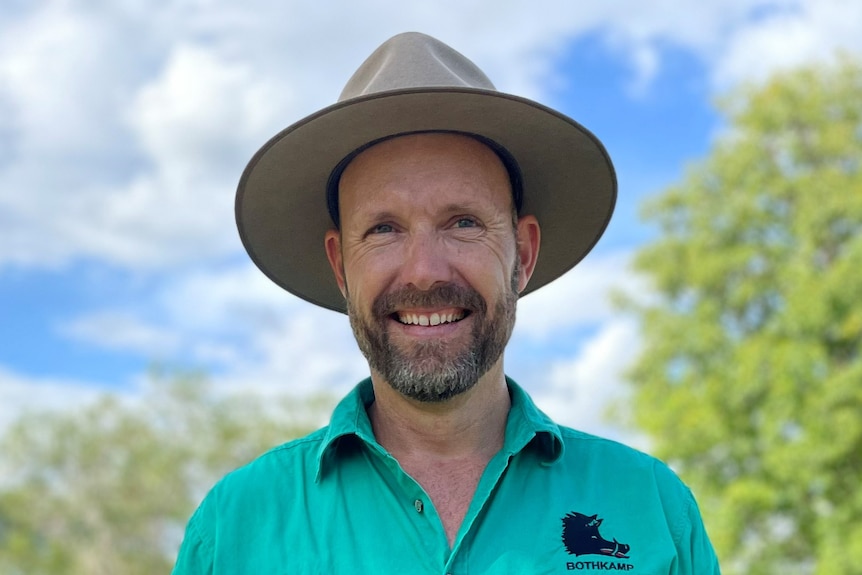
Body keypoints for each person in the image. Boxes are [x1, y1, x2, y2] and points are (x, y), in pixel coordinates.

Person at [172, 32, 720, 574]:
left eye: (463, 223)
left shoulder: (653, 513)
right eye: (384, 229)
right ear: (341, 266)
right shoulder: (233, 531)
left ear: (523, 253)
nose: (425, 271)